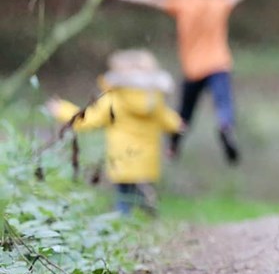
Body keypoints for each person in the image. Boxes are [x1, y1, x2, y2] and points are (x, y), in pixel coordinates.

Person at [108, 0, 268, 164]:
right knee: (223, 103)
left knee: (185, 112)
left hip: (193, 70)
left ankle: (173, 146)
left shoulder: (182, 2)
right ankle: (225, 127)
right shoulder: (217, 0)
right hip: (219, 65)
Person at [46, 50, 184, 216]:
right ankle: (146, 208)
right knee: (140, 190)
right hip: (147, 160)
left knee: (123, 197)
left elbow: (87, 119)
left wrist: (62, 109)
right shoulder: (154, 100)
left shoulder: (114, 99)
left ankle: (125, 220)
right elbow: (168, 119)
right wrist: (178, 124)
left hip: (123, 159)